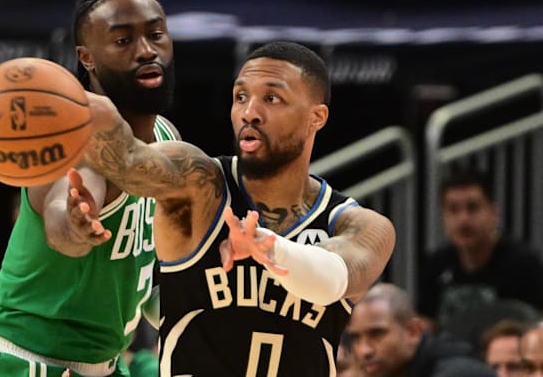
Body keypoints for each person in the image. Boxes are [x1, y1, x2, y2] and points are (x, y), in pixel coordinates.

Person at [77, 40, 396, 376]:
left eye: (271, 98)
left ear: (316, 117)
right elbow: (130, 161)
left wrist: (271, 250)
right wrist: (76, 106)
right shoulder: (197, 183)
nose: (249, 112)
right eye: (241, 97)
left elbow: (334, 279)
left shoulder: (361, 225)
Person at [0, 0, 179, 377]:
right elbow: (62, 217)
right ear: (87, 58)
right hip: (25, 359)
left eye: (155, 34)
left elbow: (149, 272)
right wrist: (76, 224)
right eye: (123, 40)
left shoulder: (167, 137)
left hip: (101, 363)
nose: (146, 50)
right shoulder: (71, 140)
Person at [417, 169, 543, 332]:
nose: (463, 219)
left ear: (494, 213)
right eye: (454, 209)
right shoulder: (435, 263)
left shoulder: (523, 264)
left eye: (473, 207)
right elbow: (426, 323)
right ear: (443, 217)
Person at [346, 282, 496, 377]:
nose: (364, 351)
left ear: (413, 331)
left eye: (376, 334)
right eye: (356, 338)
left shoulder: (457, 372)